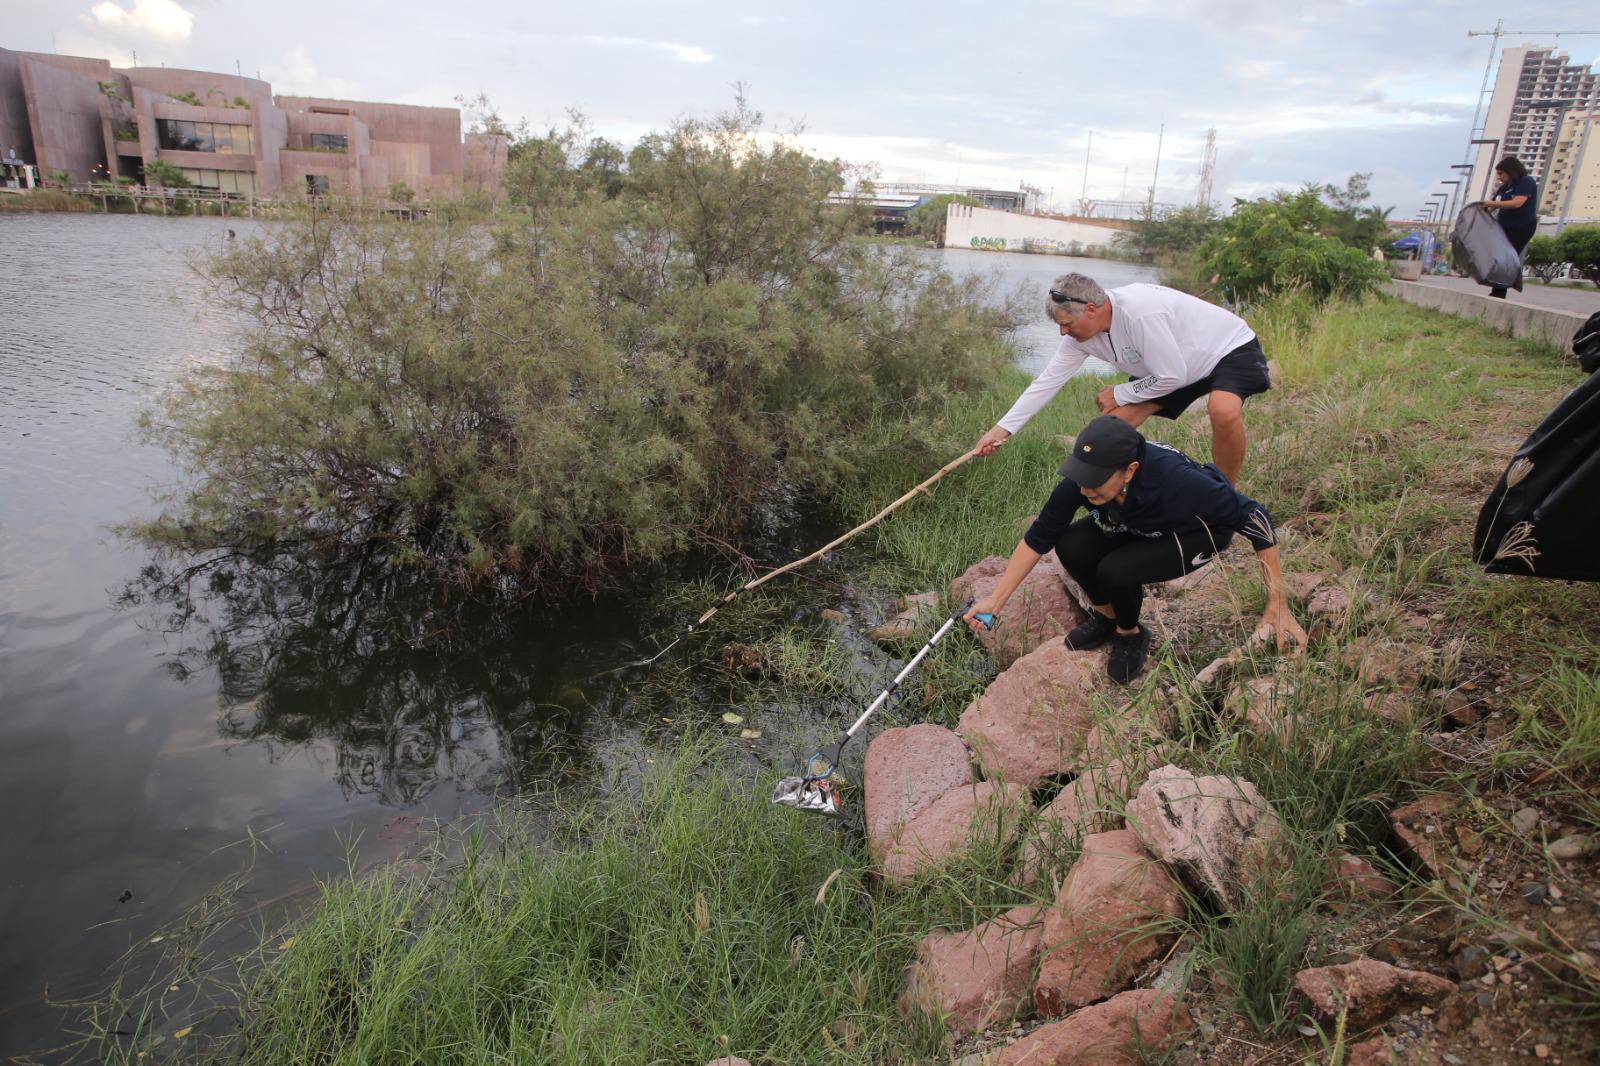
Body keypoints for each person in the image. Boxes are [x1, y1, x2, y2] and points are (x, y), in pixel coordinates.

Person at [963, 415, 1306, 683]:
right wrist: (996, 599)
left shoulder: (1180, 482)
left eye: (1094, 480)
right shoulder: (1086, 482)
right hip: (1137, 523)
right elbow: (1038, 537)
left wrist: (1277, 602)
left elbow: (1256, 518)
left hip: (1194, 535)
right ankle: (1108, 620)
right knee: (1070, 543)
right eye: (1081, 476)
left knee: (1116, 569)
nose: (1084, 487)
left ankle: (1131, 635)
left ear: (1130, 470)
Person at [973, 273, 1270, 484]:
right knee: (1111, 428)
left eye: (1066, 324)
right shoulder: (1080, 337)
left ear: (1090, 309)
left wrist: (1120, 392)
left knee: (1222, 410)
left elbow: (1171, 375)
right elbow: (1047, 381)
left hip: (1226, 349)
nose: (1063, 333)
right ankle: (1116, 492)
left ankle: (1223, 494)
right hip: (1171, 366)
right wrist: (1002, 431)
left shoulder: (1140, 313)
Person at [1478, 156, 1538, 299]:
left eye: (1501, 174)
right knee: (1498, 257)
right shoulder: (1505, 188)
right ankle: (1499, 288)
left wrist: (1491, 204)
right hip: (1504, 226)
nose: (1499, 177)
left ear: (1511, 171)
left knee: (1506, 258)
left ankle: (1499, 291)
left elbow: (1517, 202)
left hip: (1521, 227)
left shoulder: (1526, 182)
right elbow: (1492, 205)